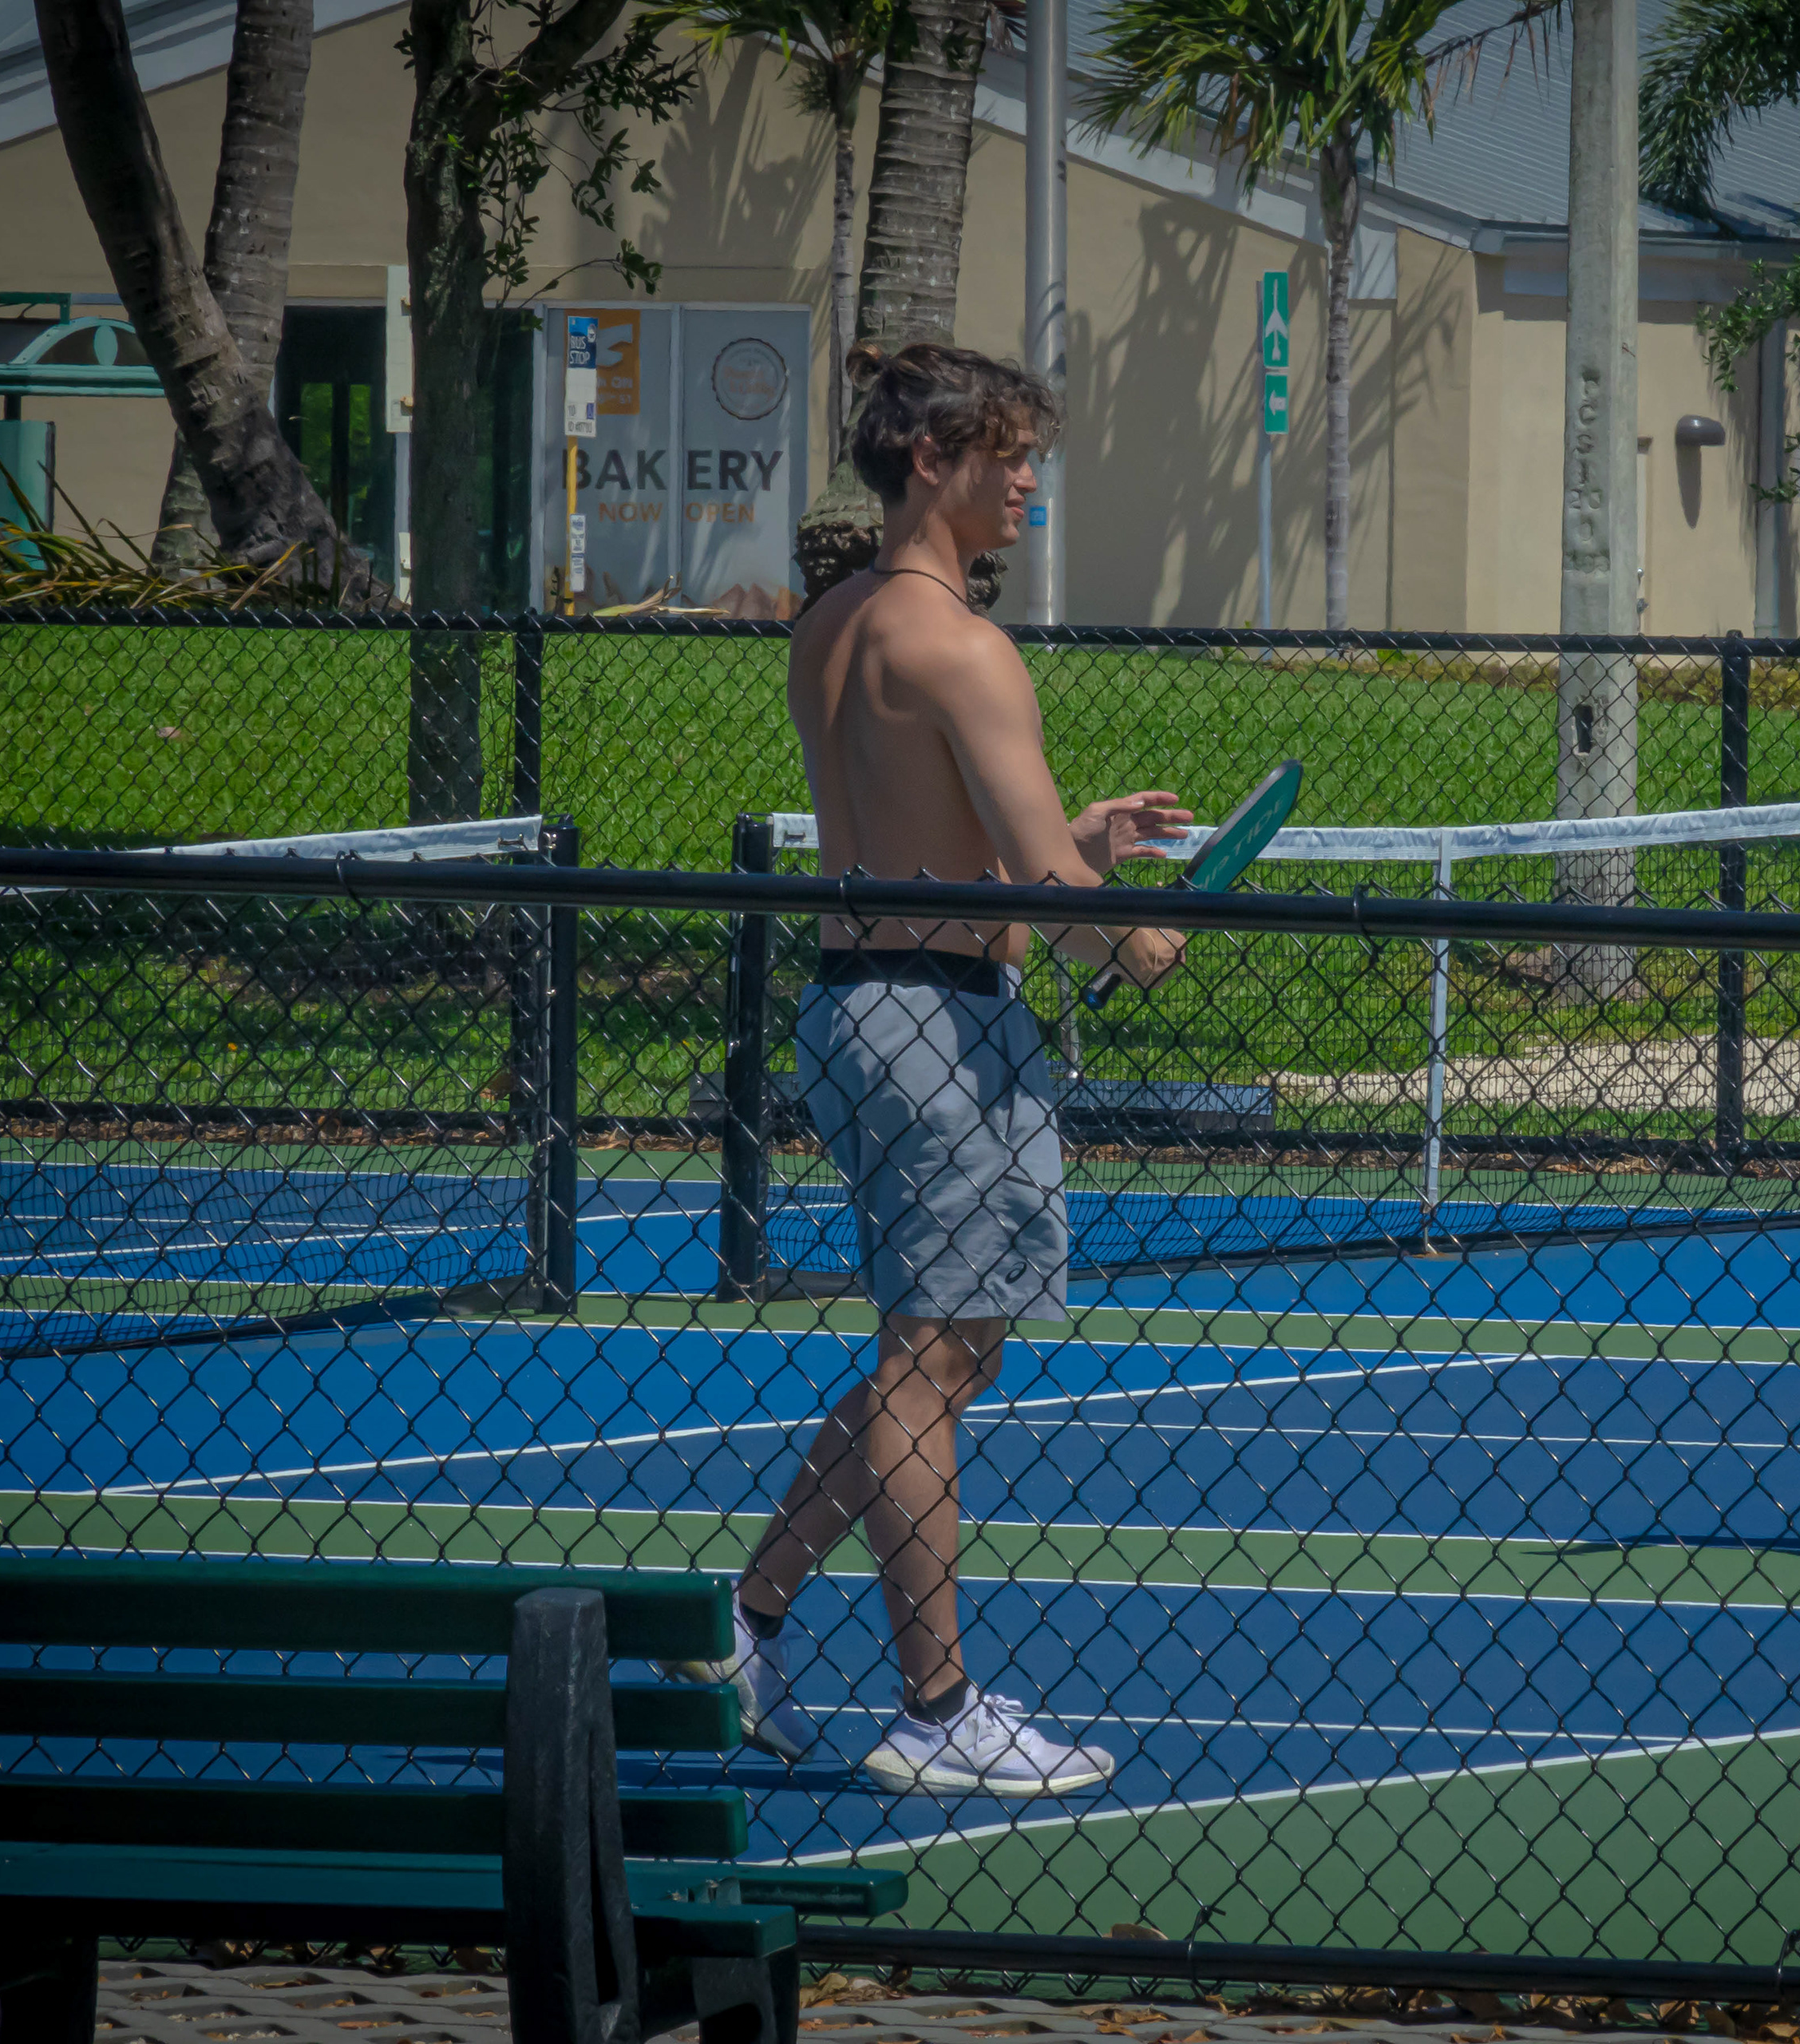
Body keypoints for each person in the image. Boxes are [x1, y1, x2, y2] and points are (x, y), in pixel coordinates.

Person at [667, 341, 1192, 1792]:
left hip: (861, 1007)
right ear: (929, 460)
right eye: (1006, 455)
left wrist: (1080, 846)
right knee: (929, 1361)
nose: (1028, 481)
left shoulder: (833, 624)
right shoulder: (962, 645)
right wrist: (1129, 936)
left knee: (943, 1355)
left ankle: (747, 1620)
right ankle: (937, 1709)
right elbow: (1051, 905)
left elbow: (953, 856)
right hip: (938, 1029)